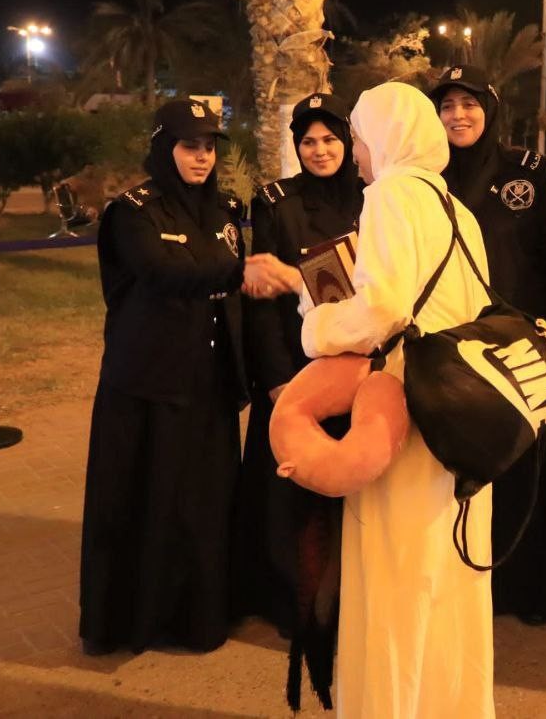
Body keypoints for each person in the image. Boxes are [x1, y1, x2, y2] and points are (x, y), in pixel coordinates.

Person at [254, 81, 496, 717]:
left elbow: (383, 309)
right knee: (448, 574)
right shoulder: (455, 207)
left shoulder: (389, 196)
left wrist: (317, 327)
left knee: (395, 574)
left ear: (385, 137)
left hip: (404, 415)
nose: (356, 153)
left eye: (358, 138)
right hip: (461, 415)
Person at [79, 98, 255, 655]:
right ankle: (136, 620)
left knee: (204, 502)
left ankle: (202, 616)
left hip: (209, 383)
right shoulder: (133, 213)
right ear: (163, 148)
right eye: (188, 146)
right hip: (147, 384)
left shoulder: (225, 208)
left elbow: (231, 291)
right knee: (148, 501)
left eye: (208, 147)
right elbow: (161, 272)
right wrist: (241, 273)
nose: (201, 157)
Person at [428, 64, 546, 621]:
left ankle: (523, 587)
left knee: (522, 464)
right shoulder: (423, 177)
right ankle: (457, 583)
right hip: (449, 352)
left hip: (518, 350)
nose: (458, 116)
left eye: (469, 104)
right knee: (457, 467)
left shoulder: (527, 173)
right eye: (447, 106)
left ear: (489, 110)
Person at [230, 93, 362, 698]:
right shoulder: (276, 201)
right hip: (296, 372)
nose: (320, 150)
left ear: (347, 142)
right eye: (308, 141)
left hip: (357, 369)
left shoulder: (374, 195)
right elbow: (263, 299)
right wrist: (278, 378)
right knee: (289, 493)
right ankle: (293, 600)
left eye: (330, 139)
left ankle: (350, 596)